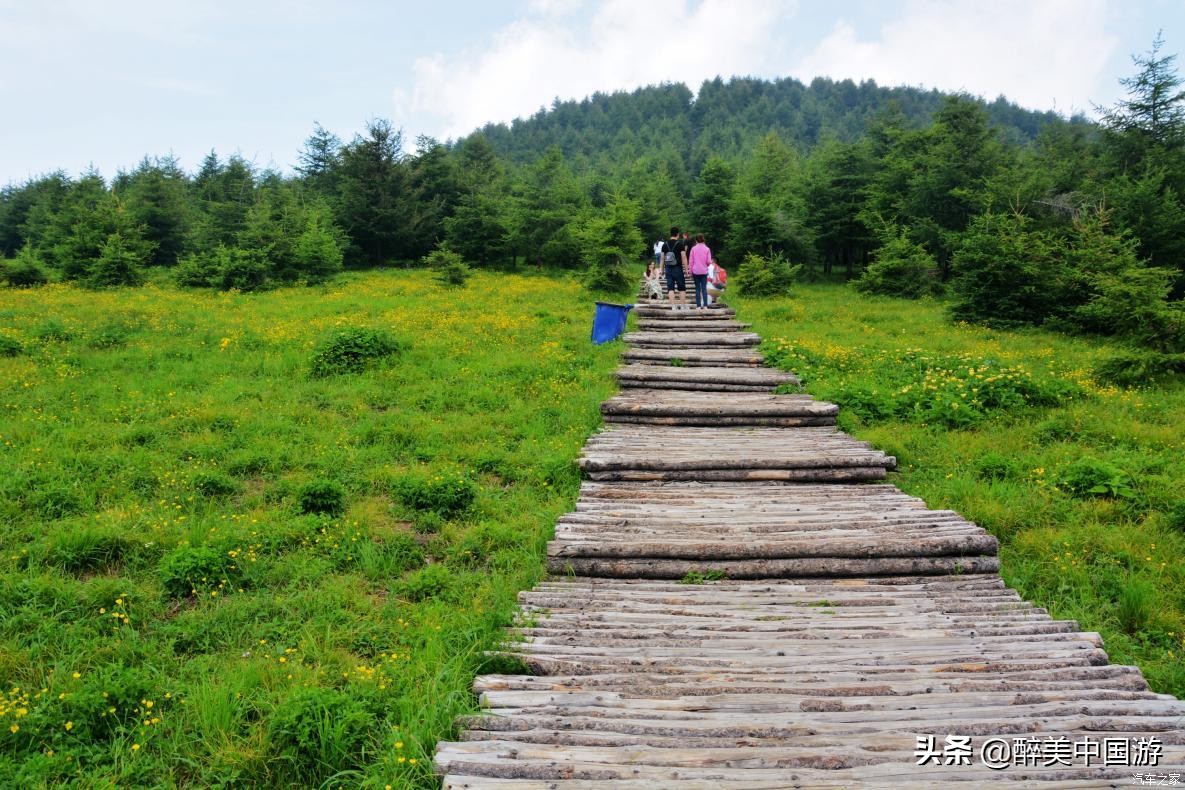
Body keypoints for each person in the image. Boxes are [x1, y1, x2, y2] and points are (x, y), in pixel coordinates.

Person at [661, 226, 687, 309]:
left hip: (668, 268)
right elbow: (684, 257)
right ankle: (682, 306)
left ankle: (673, 306)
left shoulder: (665, 244)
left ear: (670, 234)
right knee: (681, 287)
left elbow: (662, 258)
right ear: (678, 234)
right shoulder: (680, 244)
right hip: (678, 268)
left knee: (670, 288)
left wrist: (661, 270)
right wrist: (686, 269)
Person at [687, 233, 713, 309]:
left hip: (695, 271)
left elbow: (691, 261)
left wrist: (690, 271)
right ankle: (705, 305)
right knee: (704, 289)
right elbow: (708, 261)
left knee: (697, 289)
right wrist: (706, 266)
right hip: (704, 271)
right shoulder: (707, 249)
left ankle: (698, 306)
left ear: (696, 240)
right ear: (703, 239)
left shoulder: (693, 249)